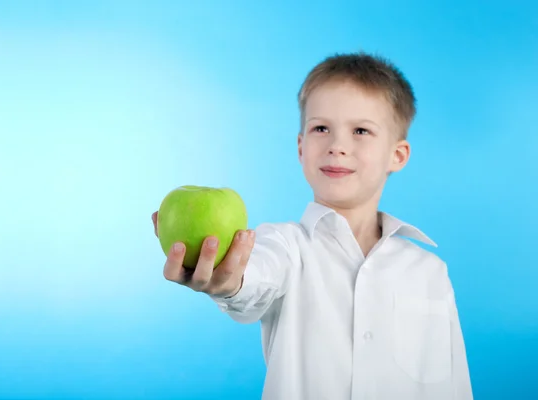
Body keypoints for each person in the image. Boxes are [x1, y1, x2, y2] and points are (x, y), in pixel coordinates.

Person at [151, 51, 473, 400]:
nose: (337, 146)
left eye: (361, 130)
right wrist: (227, 281)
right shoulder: (285, 246)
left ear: (397, 155)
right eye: (321, 128)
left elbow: (454, 386)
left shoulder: (430, 271)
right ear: (301, 147)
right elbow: (253, 280)